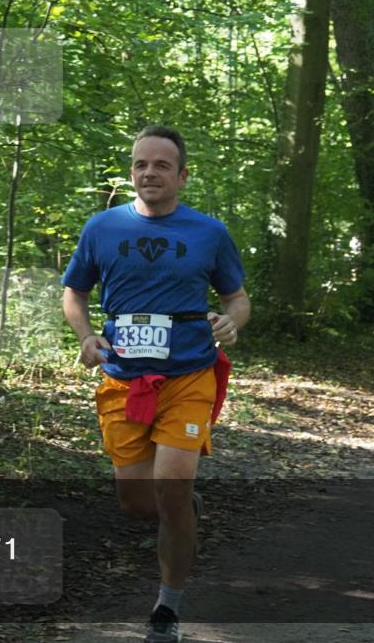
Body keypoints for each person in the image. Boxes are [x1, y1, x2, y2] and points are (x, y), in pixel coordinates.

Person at [61, 125, 250, 643]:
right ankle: (183, 513)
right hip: (123, 378)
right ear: (131, 173)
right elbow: (74, 293)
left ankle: (167, 609)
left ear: (182, 176)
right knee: (138, 502)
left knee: (171, 487)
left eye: (162, 165)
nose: (150, 173)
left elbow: (237, 296)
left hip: (188, 375)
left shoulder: (209, 233)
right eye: (141, 165)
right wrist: (85, 336)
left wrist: (234, 320)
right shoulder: (102, 228)